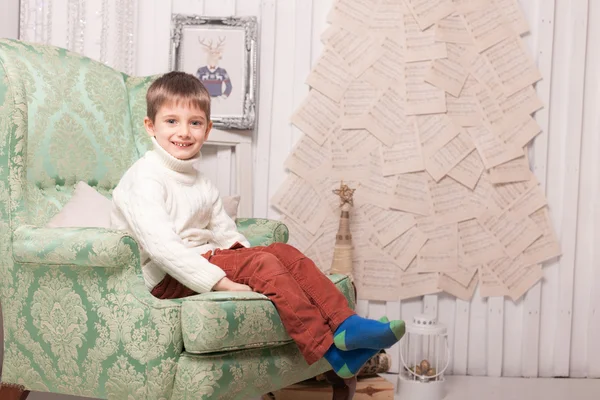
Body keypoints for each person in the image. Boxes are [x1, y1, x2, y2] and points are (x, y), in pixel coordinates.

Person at [110, 71, 405, 378]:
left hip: (201, 260)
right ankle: (331, 352)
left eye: (194, 122)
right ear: (150, 126)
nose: (184, 131)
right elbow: (163, 249)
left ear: (207, 129)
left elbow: (226, 233)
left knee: (281, 252)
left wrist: (249, 259)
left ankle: (346, 323)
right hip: (164, 276)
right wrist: (223, 281)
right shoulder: (144, 179)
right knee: (264, 263)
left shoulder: (201, 183)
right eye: (171, 121)